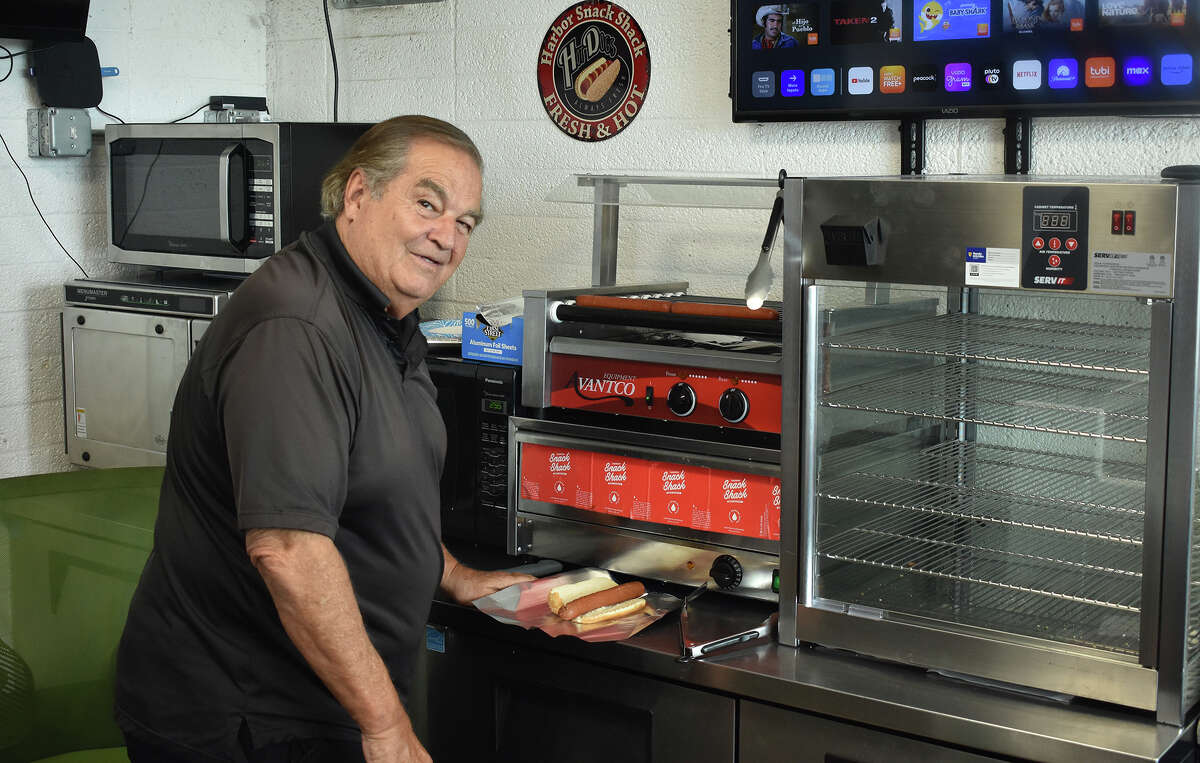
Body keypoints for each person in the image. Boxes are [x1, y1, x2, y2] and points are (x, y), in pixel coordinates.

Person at [114, 115, 533, 763]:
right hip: (243, 717)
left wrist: (452, 573)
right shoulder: (297, 325)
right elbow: (288, 547)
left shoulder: (387, 315)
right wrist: (386, 724)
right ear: (359, 194)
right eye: (428, 203)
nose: (446, 236)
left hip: (317, 704)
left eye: (466, 222)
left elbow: (377, 489)